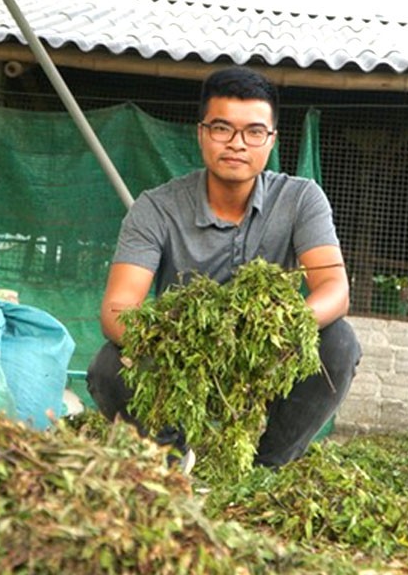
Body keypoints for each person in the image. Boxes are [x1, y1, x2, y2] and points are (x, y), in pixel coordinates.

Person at [86, 65, 362, 467]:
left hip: (269, 358)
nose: (237, 144)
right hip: (180, 361)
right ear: (201, 133)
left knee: (339, 344)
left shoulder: (301, 199)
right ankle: (170, 458)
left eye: (253, 132)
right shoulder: (156, 208)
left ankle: (265, 466)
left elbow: (335, 289)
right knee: (108, 367)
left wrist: (267, 332)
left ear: (271, 140)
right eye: (221, 129)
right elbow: (117, 310)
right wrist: (184, 344)